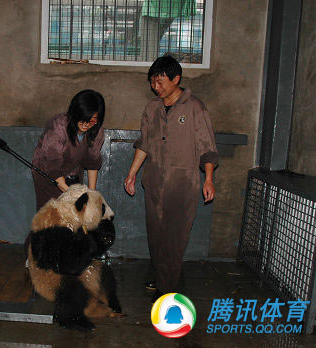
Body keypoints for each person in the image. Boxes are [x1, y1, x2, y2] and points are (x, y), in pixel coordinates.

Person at [124, 55, 218, 302]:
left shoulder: (195, 107)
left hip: (183, 184)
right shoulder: (152, 109)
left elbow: (207, 147)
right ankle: (160, 275)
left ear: (176, 79)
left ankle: (167, 291)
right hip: (154, 182)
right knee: (156, 236)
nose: (156, 87)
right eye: (153, 82)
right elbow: (144, 144)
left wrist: (208, 179)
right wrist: (132, 174)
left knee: (174, 239)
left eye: (161, 81)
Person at [32, 89, 105, 210]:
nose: (87, 124)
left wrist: (92, 194)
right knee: (53, 214)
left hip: (73, 172)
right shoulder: (58, 126)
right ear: (75, 113)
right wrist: (72, 196)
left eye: (92, 121)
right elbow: (52, 165)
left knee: (74, 216)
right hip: (47, 173)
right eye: (83, 119)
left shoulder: (96, 130)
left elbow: (93, 162)